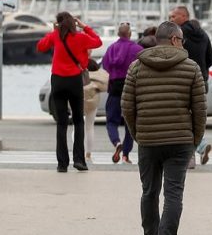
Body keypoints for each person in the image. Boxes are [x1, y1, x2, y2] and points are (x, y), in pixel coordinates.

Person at [121, 21, 207, 235]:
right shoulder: (191, 68)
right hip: (180, 141)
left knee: (149, 191)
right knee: (173, 194)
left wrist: (139, 133)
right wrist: (195, 139)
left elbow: (127, 106)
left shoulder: (136, 68)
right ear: (174, 40)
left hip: (148, 139)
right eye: (182, 39)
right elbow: (200, 109)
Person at [36, 12, 102, 172]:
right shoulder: (81, 37)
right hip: (74, 81)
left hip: (57, 81)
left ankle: (62, 164)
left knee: (62, 123)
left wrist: (53, 31)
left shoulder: (56, 36)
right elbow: (98, 42)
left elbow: (40, 46)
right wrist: (84, 26)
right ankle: (79, 160)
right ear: (74, 23)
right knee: (79, 121)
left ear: (58, 24)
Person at [169, 4, 212, 166]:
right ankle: (196, 152)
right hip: (201, 81)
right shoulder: (203, 34)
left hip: (183, 80)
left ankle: (195, 152)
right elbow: (211, 59)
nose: (171, 19)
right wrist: (202, 71)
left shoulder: (178, 34)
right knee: (196, 118)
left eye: (173, 16)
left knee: (183, 118)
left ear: (184, 16)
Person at [101, 22, 143, 164]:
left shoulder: (111, 48)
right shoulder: (137, 49)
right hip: (131, 87)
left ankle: (116, 142)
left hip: (115, 87)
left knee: (111, 120)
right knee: (130, 122)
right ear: (130, 34)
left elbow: (105, 65)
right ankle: (125, 155)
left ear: (118, 34)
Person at [78, 58, 109, 163]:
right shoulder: (98, 77)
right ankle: (88, 154)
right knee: (89, 128)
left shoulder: (79, 70)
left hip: (78, 101)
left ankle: (78, 150)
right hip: (92, 103)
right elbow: (105, 85)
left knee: (77, 126)